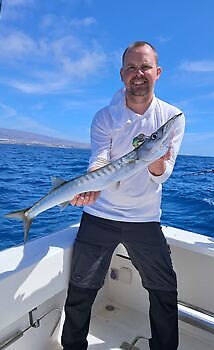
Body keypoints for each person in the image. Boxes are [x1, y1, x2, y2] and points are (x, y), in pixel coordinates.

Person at [61, 41, 185, 350]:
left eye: (144, 67)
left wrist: (155, 159)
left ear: (157, 72)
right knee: (81, 289)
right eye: (131, 67)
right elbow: (100, 160)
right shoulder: (105, 116)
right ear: (122, 74)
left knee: (164, 289)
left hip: (145, 219)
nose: (138, 73)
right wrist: (90, 185)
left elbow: (164, 173)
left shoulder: (173, 117)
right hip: (100, 214)